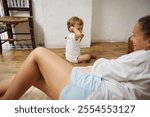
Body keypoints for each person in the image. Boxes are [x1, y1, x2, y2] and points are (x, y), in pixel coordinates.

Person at [0, 15, 150, 100]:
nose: (132, 39)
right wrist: (73, 29)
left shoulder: (146, 58)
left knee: (38, 53)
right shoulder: (72, 34)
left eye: (134, 35)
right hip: (83, 82)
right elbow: (79, 36)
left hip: (90, 93)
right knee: (32, 75)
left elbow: (102, 69)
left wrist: (101, 62)